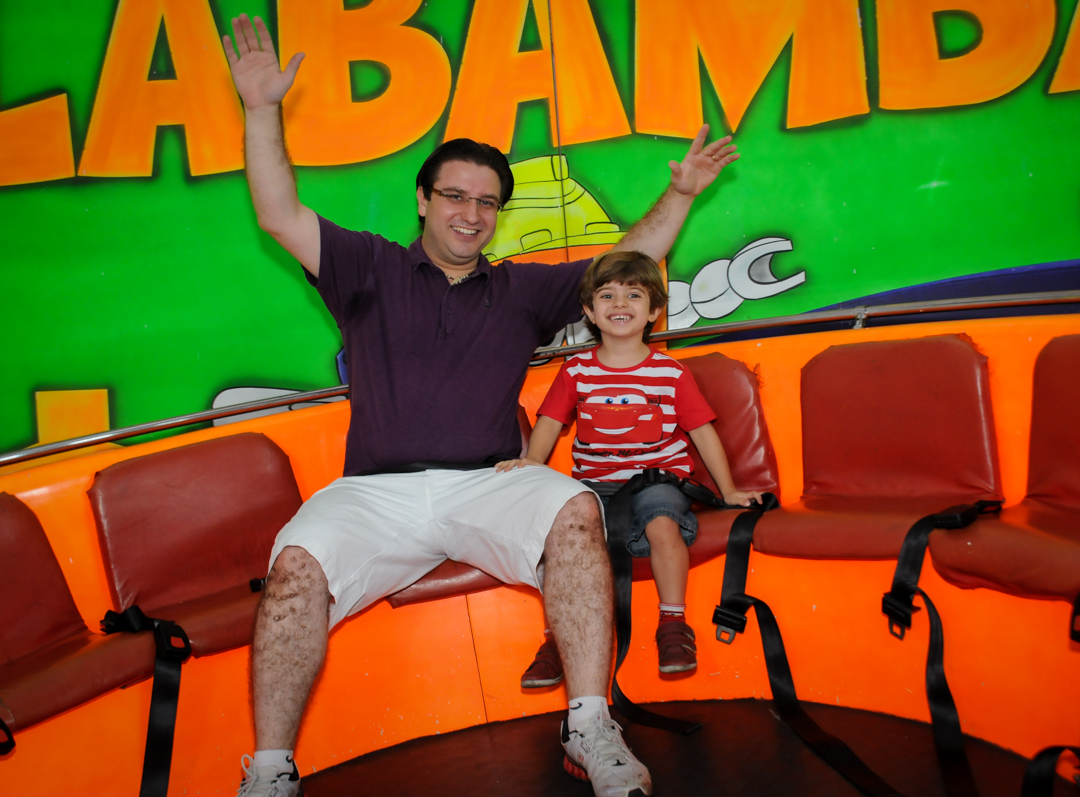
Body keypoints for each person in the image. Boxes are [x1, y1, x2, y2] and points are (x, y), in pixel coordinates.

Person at [221, 13, 739, 797]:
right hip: (374, 492)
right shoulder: (367, 267)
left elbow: (634, 254)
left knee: (573, 510)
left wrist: (680, 192)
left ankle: (590, 723)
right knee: (294, 566)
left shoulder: (523, 289)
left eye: (488, 201)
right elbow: (278, 214)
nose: (472, 212)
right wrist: (262, 109)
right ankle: (269, 772)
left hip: (489, 479)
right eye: (456, 196)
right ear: (425, 200)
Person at [498, 251, 763, 686]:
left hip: (656, 480)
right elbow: (549, 424)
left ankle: (673, 624)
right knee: (560, 540)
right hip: (594, 486)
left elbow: (702, 432)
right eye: (607, 295)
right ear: (589, 311)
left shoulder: (670, 373)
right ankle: (559, 637)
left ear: (654, 310)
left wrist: (729, 490)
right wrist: (530, 466)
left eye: (633, 294)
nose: (620, 304)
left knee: (662, 522)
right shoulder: (576, 371)